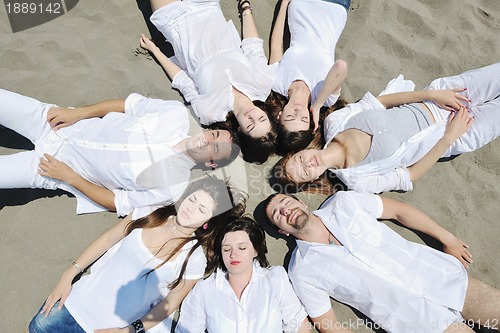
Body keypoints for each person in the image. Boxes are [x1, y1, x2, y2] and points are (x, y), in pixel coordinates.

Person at [28, 176, 245, 333]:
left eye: (202, 209)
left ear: (207, 222)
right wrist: (67, 276)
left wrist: (130, 331)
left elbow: (169, 304)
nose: (191, 208)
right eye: (192, 199)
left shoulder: (195, 258)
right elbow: (106, 240)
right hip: (72, 304)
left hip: (108, 328)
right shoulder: (150, 212)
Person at [264, 191, 500, 333]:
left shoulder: (343, 203)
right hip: (420, 322)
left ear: (302, 203)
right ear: (282, 231)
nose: (286, 211)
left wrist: (447, 238)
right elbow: (328, 324)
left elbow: (399, 211)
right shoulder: (301, 271)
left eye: (286, 202)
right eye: (278, 214)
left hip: (441, 278)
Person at [0, 88, 240, 217]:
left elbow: (117, 202)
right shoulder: (174, 114)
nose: (208, 141)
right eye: (214, 135)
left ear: (210, 163)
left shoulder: (173, 187)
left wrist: (68, 177)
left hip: (51, 168)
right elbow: (127, 105)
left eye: (215, 149)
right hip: (58, 122)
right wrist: (79, 113)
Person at [270, 63, 500, 195]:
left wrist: (432, 94)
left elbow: (381, 102)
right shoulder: (358, 182)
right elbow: (410, 174)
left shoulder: (335, 122)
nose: (307, 163)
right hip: (459, 133)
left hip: (440, 98)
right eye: (303, 172)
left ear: (301, 151)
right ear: (312, 179)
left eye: (299, 159)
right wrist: (449, 138)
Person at [138, 0, 278, 163]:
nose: (253, 116)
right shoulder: (263, 84)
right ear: (266, 114)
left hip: (175, 23)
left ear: (240, 130)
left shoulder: (210, 112)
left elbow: (183, 82)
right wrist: (245, 7)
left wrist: (155, 51)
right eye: (261, 118)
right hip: (208, 7)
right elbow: (252, 46)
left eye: (250, 125)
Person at [175, 217, 311, 333]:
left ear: (256, 250)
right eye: (226, 249)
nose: (233, 254)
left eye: (242, 248)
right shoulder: (204, 290)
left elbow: (299, 324)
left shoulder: (275, 278)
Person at [267, 0, 350, 154]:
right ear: (312, 122)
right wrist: (317, 105)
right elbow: (341, 66)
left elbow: (276, 43)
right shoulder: (324, 97)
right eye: (304, 119)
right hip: (335, 6)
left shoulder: (277, 82)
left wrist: (284, 4)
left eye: (291, 117)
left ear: (280, 116)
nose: (298, 111)